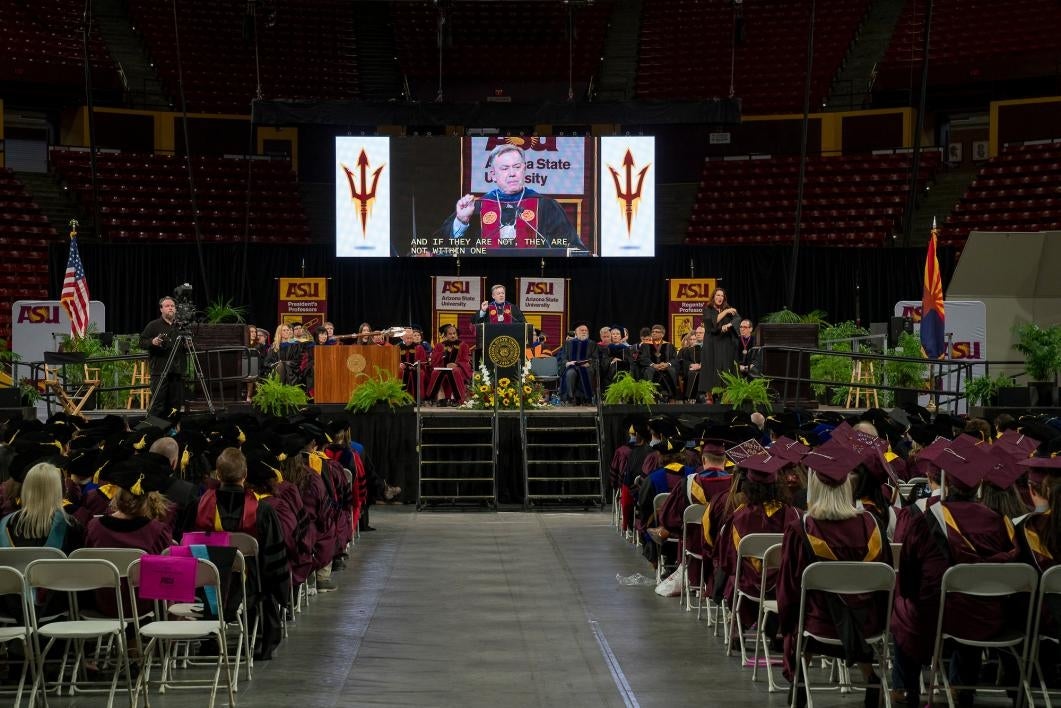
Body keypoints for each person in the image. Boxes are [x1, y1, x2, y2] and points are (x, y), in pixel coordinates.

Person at [776, 441, 892, 705]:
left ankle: (799, 680)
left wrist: (784, 625)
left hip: (819, 624)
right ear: (847, 488)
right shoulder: (872, 525)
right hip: (869, 624)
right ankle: (871, 677)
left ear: (813, 486)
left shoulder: (800, 529)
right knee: (850, 611)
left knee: (801, 617)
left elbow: (789, 589)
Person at [438, 143, 586, 252]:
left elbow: (570, 247)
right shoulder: (476, 207)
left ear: (524, 170)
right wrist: (462, 221)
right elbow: (445, 248)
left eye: (516, 167)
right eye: (504, 168)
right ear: (493, 175)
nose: (512, 173)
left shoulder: (546, 206)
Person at [139, 296, 186, 419]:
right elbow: (141, 342)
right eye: (167, 306)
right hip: (159, 371)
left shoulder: (181, 327)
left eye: (172, 306)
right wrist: (153, 342)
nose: (170, 308)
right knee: (158, 405)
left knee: (175, 406)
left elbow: (189, 345)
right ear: (161, 309)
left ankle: (171, 431)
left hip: (177, 372)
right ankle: (152, 432)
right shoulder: (153, 325)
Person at [700, 287, 740, 404]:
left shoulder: (728, 308)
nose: (720, 298)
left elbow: (738, 319)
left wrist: (728, 325)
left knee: (726, 366)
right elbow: (712, 322)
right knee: (710, 366)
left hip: (725, 342)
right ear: (713, 297)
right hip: (712, 342)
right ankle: (709, 396)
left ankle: (727, 396)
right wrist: (726, 312)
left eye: (722, 296)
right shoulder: (708, 309)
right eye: (717, 295)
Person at [426, 324, 473, 406]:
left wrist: (456, 364)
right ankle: (439, 398)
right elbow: (434, 360)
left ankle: (456, 398)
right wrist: (442, 356)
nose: (453, 335)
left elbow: (466, 359)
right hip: (443, 368)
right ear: (445, 335)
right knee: (436, 372)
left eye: (454, 333)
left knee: (455, 371)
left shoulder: (463, 345)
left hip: (458, 368)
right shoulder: (440, 345)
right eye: (450, 334)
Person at [637, 324, 678, 400]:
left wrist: (667, 364)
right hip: (651, 367)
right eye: (652, 332)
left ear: (662, 334)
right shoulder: (645, 345)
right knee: (649, 370)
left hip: (665, 367)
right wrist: (653, 365)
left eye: (657, 332)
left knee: (671, 370)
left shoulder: (669, 345)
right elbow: (642, 358)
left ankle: (670, 395)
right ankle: (650, 394)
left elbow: (675, 359)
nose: (654, 333)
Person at [559, 322, 596, 405]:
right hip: (572, 366)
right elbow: (563, 357)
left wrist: (589, 363)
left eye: (586, 330)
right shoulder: (568, 343)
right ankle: (570, 398)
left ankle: (587, 398)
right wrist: (568, 363)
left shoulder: (592, 343)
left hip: (586, 367)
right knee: (570, 373)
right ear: (576, 332)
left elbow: (595, 358)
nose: (584, 332)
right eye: (582, 330)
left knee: (589, 372)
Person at [397, 329, 428, 401]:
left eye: (411, 338)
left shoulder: (418, 347)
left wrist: (418, 365)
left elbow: (423, 361)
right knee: (401, 372)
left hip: (415, 369)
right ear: (402, 337)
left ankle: (417, 399)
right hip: (402, 369)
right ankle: (401, 399)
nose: (409, 340)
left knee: (419, 372)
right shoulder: (397, 347)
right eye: (407, 338)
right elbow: (394, 361)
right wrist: (399, 364)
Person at [679, 325, 705, 402]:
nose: (698, 334)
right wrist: (691, 364)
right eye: (697, 333)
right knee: (692, 373)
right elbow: (682, 361)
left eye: (701, 333)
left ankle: (704, 397)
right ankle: (690, 398)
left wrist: (701, 366)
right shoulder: (688, 349)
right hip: (692, 370)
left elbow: (714, 359)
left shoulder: (710, 347)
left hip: (707, 369)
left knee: (699, 373)